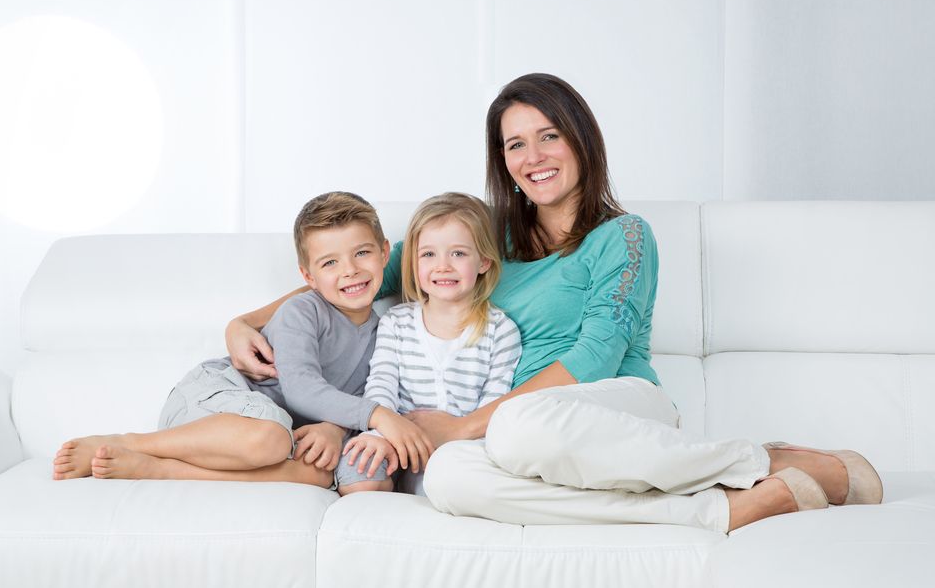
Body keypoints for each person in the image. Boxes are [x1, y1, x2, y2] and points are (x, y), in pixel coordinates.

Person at [224, 74, 883, 532]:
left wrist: (461, 423)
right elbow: (367, 270)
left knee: (510, 429)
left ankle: (759, 460)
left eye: (548, 136)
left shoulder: (624, 237)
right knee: (450, 481)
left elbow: (597, 354)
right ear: (501, 159)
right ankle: (724, 506)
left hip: (610, 403)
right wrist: (246, 321)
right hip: (509, 436)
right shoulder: (482, 237)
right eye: (515, 144)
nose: (533, 156)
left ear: (580, 139)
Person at [53, 191, 433, 495]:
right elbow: (302, 390)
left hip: (273, 433)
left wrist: (335, 429)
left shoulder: (385, 333)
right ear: (308, 275)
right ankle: (134, 442)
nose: (350, 270)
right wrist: (379, 416)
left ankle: (161, 469)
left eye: (362, 253)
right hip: (218, 402)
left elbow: (357, 396)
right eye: (330, 262)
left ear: (385, 252)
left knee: (318, 476)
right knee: (269, 437)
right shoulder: (303, 310)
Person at [342, 193, 522, 494]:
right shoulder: (395, 322)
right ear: (413, 262)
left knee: (451, 486)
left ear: (484, 261)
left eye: (458, 254)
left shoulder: (501, 331)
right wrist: (379, 433)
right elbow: (382, 383)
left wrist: (457, 443)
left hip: (460, 450)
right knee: (361, 472)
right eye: (429, 255)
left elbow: (492, 405)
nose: (443, 266)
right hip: (396, 441)